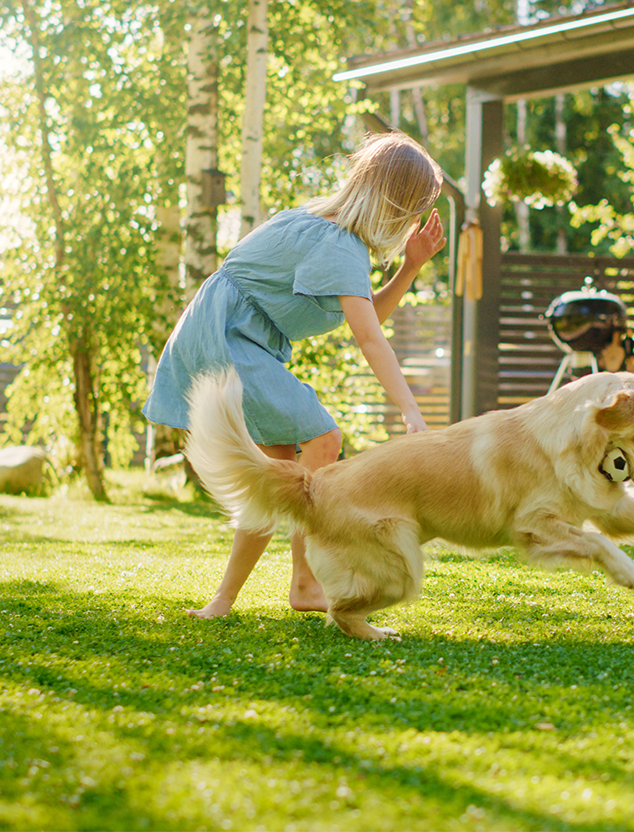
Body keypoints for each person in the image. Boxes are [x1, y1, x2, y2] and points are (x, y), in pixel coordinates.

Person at [143, 132, 446, 619]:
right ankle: (306, 584)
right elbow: (369, 339)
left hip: (227, 334)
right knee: (322, 436)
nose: (413, 221)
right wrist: (410, 409)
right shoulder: (340, 245)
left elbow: (366, 322)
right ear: (396, 203)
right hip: (227, 337)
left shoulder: (329, 231)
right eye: (414, 209)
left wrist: (409, 268)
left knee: (280, 474)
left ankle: (223, 602)